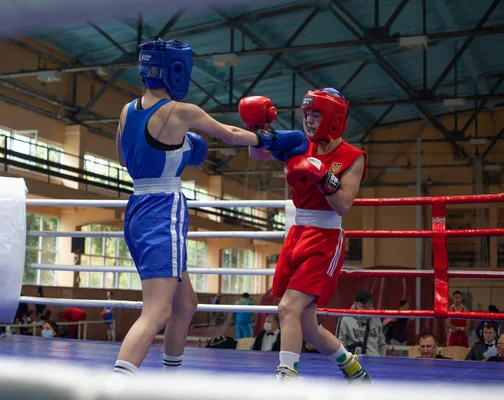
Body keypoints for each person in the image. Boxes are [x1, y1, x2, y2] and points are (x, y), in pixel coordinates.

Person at [112, 38, 308, 377]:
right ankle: (115, 387)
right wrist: (270, 139)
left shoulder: (128, 110)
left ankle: (170, 381)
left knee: (185, 304)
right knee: (156, 312)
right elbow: (231, 134)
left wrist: (178, 147)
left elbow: (123, 157)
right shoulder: (180, 111)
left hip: (138, 207)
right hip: (161, 210)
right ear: (177, 71)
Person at [244, 88, 371, 382]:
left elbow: (343, 205)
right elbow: (257, 154)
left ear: (334, 119)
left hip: (325, 236)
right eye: (306, 114)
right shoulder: (300, 144)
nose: (309, 121)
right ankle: (353, 368)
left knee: (287, 308)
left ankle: (286, 377)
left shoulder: (353, 157)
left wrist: (322, 176)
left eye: (316, 114)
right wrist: (256, 127)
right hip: (297, 233)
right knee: (308, 325)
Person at [336, 290, 387, 357]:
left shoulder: (376, 318)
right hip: (354, 363)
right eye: (363, 306)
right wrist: (346, 363)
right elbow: (340, 344)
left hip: (375, 363)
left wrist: (381, 361)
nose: (367, 309)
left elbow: (382, 344)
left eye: (369, 305)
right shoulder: (345, 319)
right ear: (355, 304)